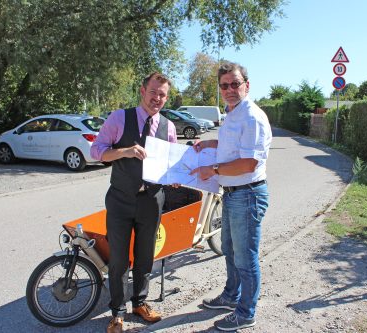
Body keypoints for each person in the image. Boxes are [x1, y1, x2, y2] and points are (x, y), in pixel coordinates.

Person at [91, 72, 177, 333]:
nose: (157, 98)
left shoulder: (168, 127)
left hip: (151, 200)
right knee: (118, 259)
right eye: (153, 92)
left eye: (162, 94)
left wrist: (174, 177)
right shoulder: (120, 118)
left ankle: (140, 302)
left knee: (145, 256)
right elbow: (96, 151)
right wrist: (124, 151)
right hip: (120, 199)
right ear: (143, 90)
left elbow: (171, 164)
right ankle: (117, 312)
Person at [190, 61, 272, 331]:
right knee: (229, 250)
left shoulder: (251, 116)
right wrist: (210, 143)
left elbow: (249, 163)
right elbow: (232, 147)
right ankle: (230, 297)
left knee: (245, 258)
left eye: (235, 84)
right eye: (224, 85)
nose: (229, 89)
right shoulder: (233, 113)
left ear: (246, 85)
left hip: (247, 195)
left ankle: (246, 313)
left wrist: (211, 168)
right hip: (232, 193)